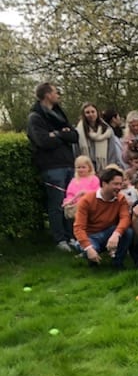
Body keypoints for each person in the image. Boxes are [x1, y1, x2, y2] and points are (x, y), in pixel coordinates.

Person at [27, 82, 78, 251]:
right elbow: (43, 141)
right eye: (56, 92)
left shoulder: (59, 114)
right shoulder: (35, 117)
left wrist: (56, 134)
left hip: (68, 163)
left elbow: (74, 136)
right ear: (47, 95)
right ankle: (60, 239)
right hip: (52, 166)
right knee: (57, 203)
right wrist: (62, 134)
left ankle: (71, 236)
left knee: (71, 202)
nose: (58, 95)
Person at [72, 167, 133, 268]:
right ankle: (92, 260)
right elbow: (78, 227)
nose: (119, 187)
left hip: (109, 232)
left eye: (120, 184)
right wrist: (88, 248)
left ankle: (118, 263)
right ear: (104, 184)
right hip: (90, 236)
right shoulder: (87, 200)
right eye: (115, 184)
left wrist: (116, 234)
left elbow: (125, 218)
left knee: (128, 232)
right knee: (89, 248)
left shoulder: (121, 198)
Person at [75, 102, 123, 171]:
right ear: (83, 114)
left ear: (97, 112)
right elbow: (77, 151)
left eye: (93, 111)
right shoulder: (79, 131)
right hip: (86, 168)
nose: (91, 114)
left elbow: (112, 151)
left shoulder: (107, 130)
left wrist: (110, 167)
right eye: (87, 112)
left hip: (105, 166)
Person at [63, 155, 100, 222]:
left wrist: (86, 192)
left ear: (89, 168)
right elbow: (70, 194)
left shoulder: (94, 179)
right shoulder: (74, 181)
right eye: (78, 167)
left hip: (92, 209)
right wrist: (68, 201)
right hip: (77, 210)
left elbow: (98, 192)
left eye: (83, 167)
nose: (81, 169)